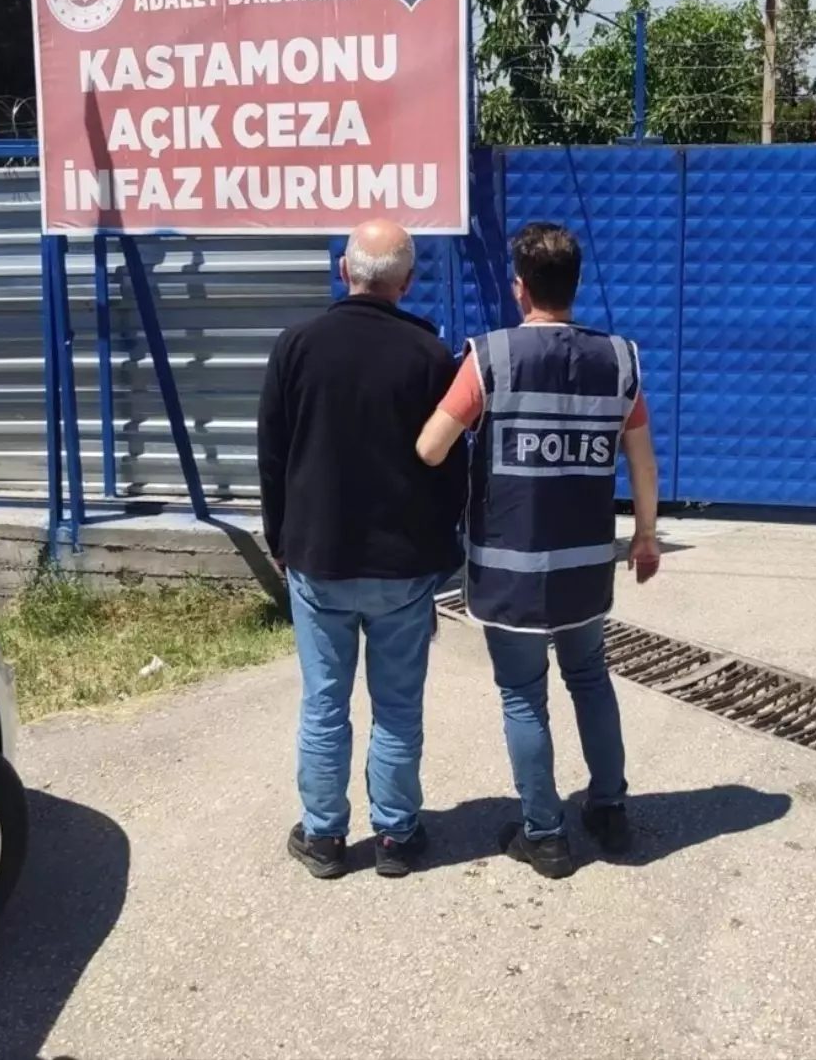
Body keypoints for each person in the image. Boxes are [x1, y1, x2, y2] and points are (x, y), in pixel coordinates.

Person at [417, 221, 660, 879]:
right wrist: (645, 534)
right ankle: (609, 810)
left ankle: (545, 835)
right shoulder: (618, 360)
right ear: (573, 285)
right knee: (590, 679)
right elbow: (641, 459)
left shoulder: (491, 358)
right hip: (585, 565)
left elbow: (431, 447)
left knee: (524, 696)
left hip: (510, 572)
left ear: (520, 287)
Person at [258, 219, 466, 880]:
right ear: (407, 281)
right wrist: (443, 549)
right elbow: (452, 468)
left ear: (344, 271)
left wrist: (279, 538)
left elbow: (271, 453)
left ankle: (323, 836)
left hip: (318, 556)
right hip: (402, 565)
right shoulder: (429, 355)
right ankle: (396, 836)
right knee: (397, 706)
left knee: (324, 702)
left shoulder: (296, 346)